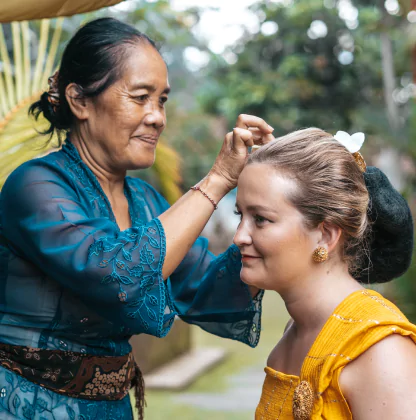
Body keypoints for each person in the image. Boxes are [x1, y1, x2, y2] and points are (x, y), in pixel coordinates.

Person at [0, 17, 274, 420]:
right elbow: (113, 274)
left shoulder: (147, 201)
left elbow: (207, 290)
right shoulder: (35, 186)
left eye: (162, 100)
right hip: (24, 406)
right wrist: (217, 180)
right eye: (141, 96)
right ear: (80, 101)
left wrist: (275, 206)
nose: (157, 117)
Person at [233, 128, 415, 419]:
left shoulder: (380, 351)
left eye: (261, 219)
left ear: (325, 235)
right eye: (239, 215)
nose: (239, 236)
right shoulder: (298, 328)